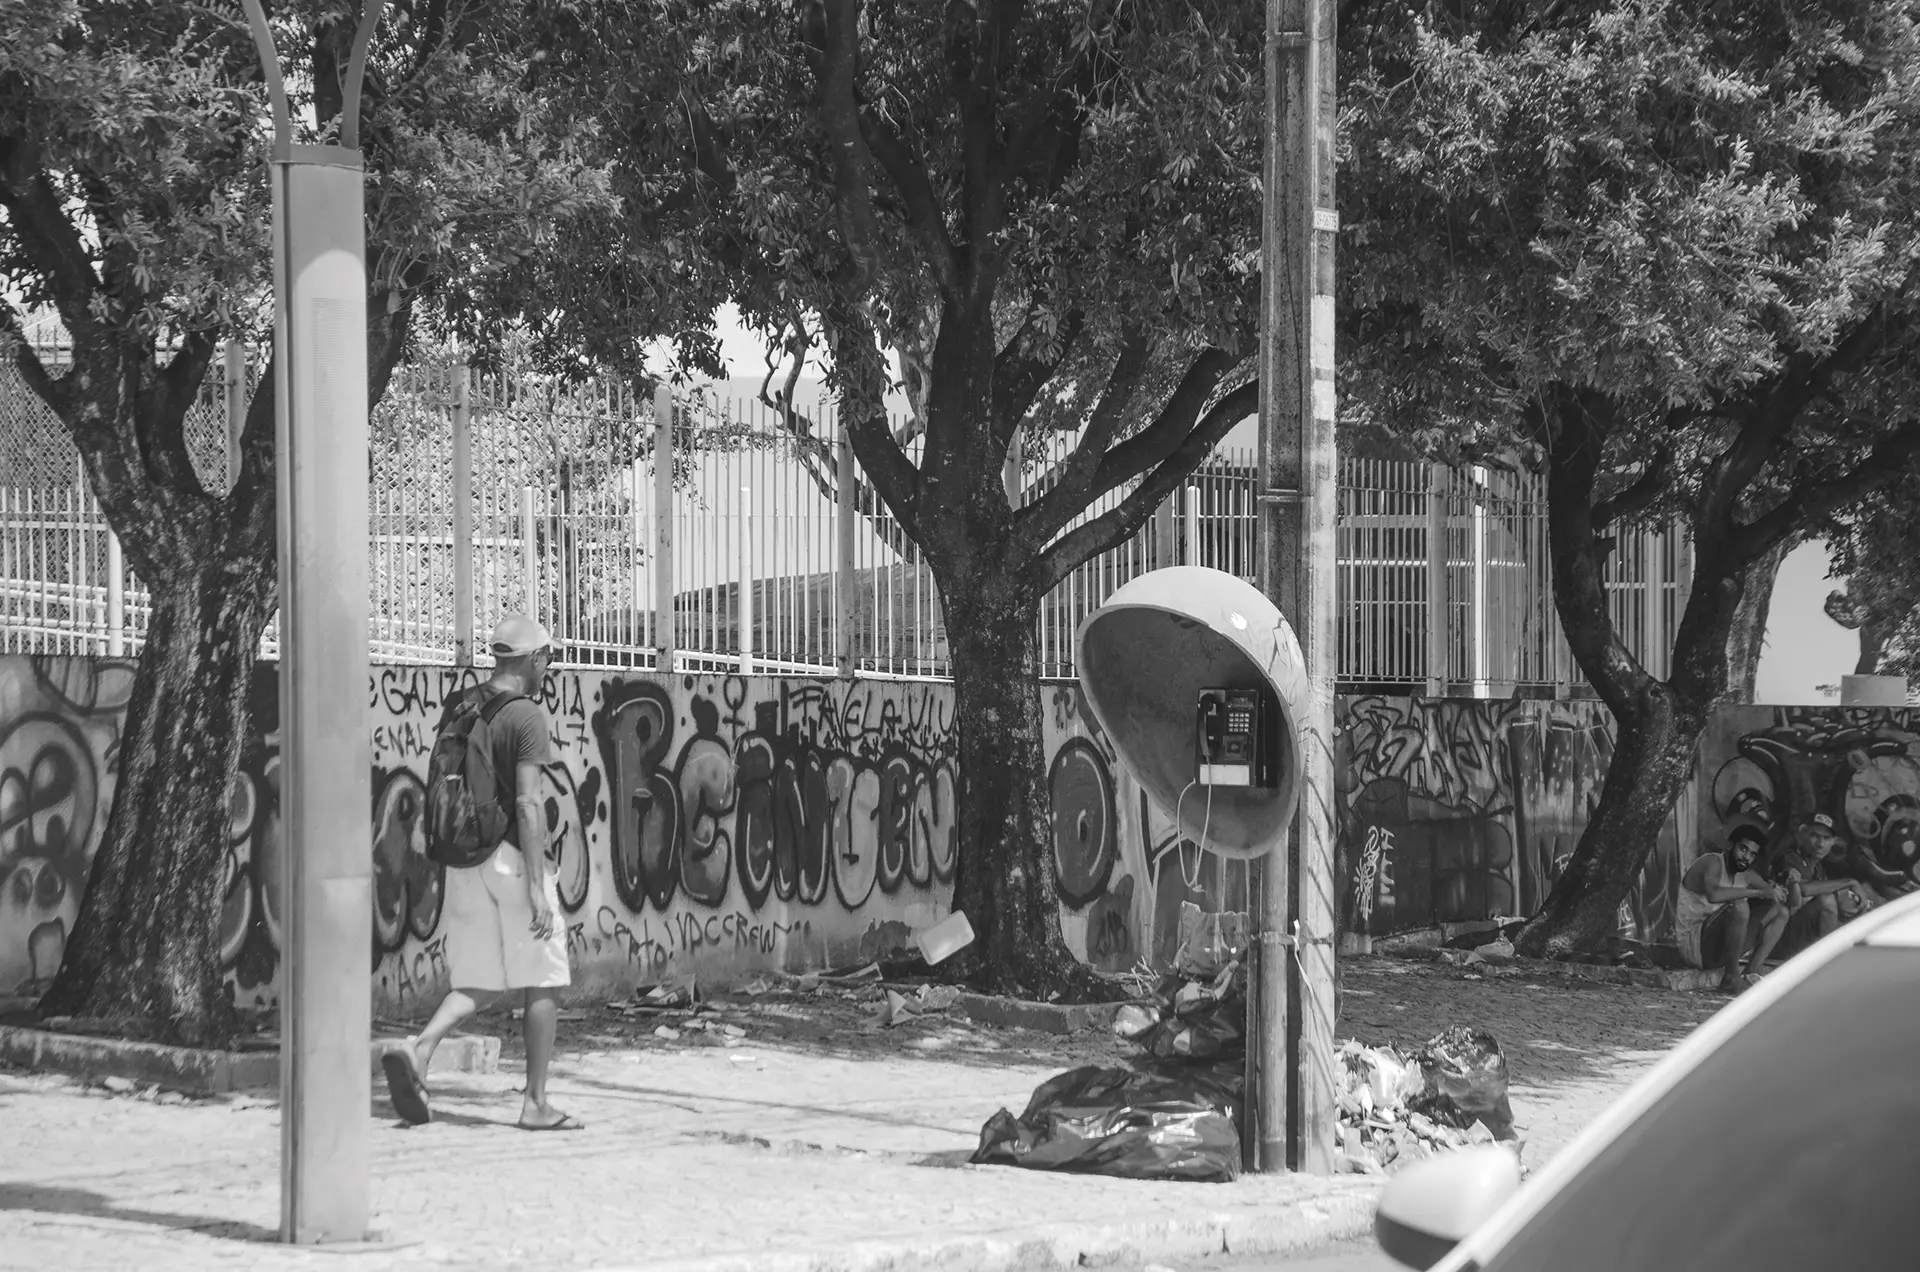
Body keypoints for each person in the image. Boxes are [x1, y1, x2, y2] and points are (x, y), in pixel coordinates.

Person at [381, 615, 580, 1131]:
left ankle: (421, 1049)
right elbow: (528, 804)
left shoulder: (461, 705)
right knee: (544, 980)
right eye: (547, 658)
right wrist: (536, 887)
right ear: (532, 659)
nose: (548, 667)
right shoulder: (526, 716)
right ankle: (536, 1103)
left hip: (465, 860)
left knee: (480, 980)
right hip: (511, 859)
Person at [1676, 824, 1788, 992]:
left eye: (1752, 854)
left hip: (1722, 949)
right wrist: (1757, 892)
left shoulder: (1747, 875)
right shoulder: (1711, 862)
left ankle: (1752, 972)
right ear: (1730, 845)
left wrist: (1782, 887)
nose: (1746, 857)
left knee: (1780, 911)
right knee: (1739, 906)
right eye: (1743, 849)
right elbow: (1713, 895)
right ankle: (1730, 977)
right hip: (1695, 947)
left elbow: (1778, 896)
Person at [1769, 812, 1880, 959]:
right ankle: (1829, 960)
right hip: (1775, 939)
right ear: (1802, 834)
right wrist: (1850, 882)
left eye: (1826, 838)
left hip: (1797, 938)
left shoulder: (1818, 867)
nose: (1820, 844)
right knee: (1826, 901)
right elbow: (1804, 889)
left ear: (1834, 841)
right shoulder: (1790, 856)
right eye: (1814, 835)